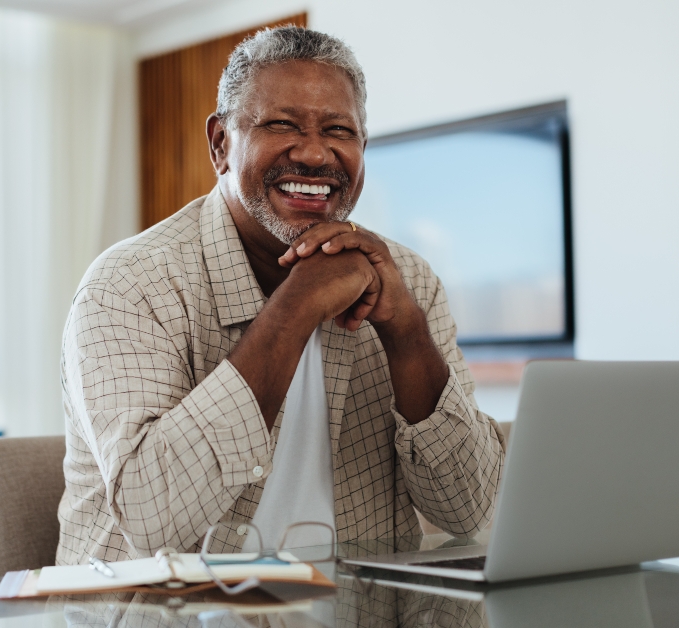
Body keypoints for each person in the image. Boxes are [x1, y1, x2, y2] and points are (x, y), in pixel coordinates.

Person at [56, 26, 504, 565]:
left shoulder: (405, 277)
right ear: (221, 144)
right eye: (282, 124)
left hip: (362, 609)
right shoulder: (132, 283)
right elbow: (155, 519)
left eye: (339, 130)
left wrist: (406, 330)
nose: (316, 155)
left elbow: (470, 511)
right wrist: (295, 307)